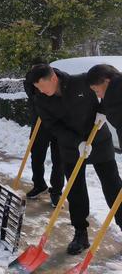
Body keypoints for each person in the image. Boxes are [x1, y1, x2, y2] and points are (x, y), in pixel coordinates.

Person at [26, 64, 122, 255]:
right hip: (71, 148)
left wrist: (102, 112)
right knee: (75, 190)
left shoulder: (82, 81)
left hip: (99, 140)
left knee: (113, 186)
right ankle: (80, 233)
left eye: (42, 86)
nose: (40, 90)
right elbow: (53, 126)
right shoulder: (41, 100)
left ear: (53, 78)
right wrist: (77, 143)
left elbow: (105, 93)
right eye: (37, 88)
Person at [23, 77, 64, 206]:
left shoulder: (60, 82)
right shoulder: (30, 82)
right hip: (40, 126)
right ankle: (39, 185)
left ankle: (56, 192)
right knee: (36, 156)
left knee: (59, 160)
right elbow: (32, 96)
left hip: (58, 126)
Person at [87, 64, 122, 147]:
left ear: (107, 81)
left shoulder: (115, 102)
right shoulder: (114, 93)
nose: (98, 96)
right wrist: (101, 110)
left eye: (96, 90)